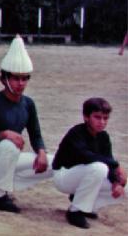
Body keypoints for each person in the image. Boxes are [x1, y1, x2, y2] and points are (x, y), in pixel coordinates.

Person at [0, 35, 52, 213]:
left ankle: (1, 180)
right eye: (16, 79)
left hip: (8, 156)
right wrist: (3, 134)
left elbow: (35, 134)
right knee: (9, 145)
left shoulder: (28, 104)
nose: (20, 84)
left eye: (24, 79)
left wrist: (41, 152)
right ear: (4, 79)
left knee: (53, 162)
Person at [52, 97, 125, 228]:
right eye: (97, 117)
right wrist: (116, 165)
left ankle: (86, 205)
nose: (102, 122)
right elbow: (87, 156)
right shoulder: (76, 132)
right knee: (99, 168)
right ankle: (74, 212)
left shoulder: (104, 136)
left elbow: (108, 159)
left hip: (84, 175)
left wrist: (116, 182)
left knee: (124, 187)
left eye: (106, 118)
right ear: (86, 117)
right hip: (64, 176)